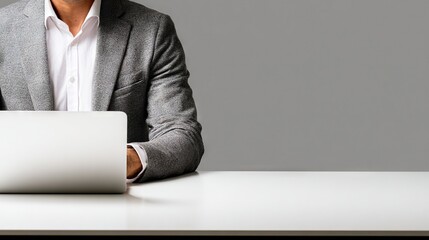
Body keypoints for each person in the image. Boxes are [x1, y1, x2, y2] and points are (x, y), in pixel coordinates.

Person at [0, 0, 204, 183]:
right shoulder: (2, 29)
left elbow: (183, 135)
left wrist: (128, 160)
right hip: (19, 207)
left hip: (121, 207)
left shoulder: (152, 30)